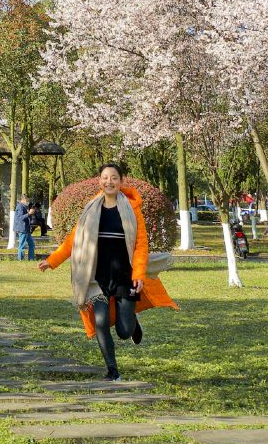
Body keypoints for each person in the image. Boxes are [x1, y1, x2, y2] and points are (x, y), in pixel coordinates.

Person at [38, 162, 177, 381]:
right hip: (96, 277)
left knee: (123, 331)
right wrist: (52, 261)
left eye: (114, 177)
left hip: (125, 276)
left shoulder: (132, 209)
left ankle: (132, 321)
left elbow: (141, 246)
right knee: (100, 322)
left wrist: (138, 275)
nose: (109, 181)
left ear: (121, 182)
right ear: (99, 181)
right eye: (105, 177)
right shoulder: (91, 209)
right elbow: (73, 240)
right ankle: (112, 370)